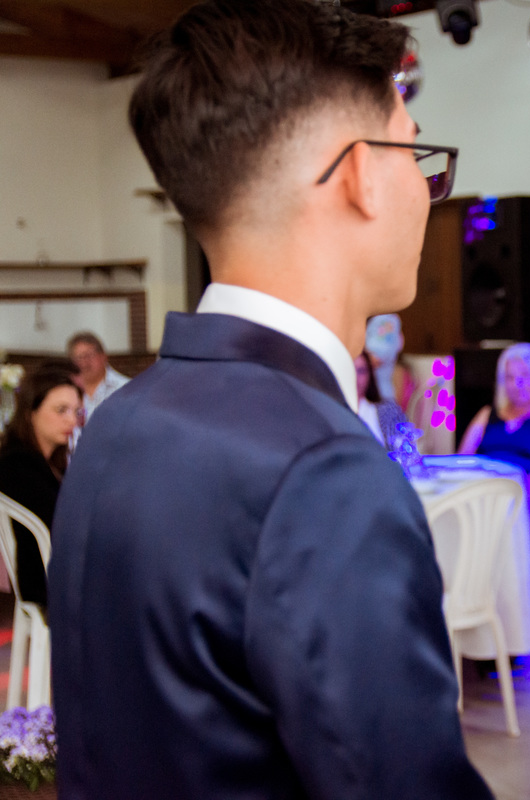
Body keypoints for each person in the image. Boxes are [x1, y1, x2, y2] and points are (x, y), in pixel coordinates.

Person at [48, 1, 490, 798]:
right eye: (417, 155)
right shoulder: (323, 473)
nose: (429, 191)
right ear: (360, 173)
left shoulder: (119, 417)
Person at [458, 343, 530, 576]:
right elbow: (462, 460)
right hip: (483, 501)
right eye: (510, 378)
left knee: (495, 537)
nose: (518, 383)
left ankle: (499, 604)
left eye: (525, 375)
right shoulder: (486, 415)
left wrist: (505, 499)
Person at [0, 365, 81, 607]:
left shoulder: (49, 461)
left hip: (57, 570)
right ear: (30, 411)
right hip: (44, 579)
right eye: (61, 410)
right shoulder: (16, 463)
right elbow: (63, 524)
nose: (72, 420)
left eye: (76, 411)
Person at [66, 331, 129, 423]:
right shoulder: (67, 391)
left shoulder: (125, 389)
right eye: (78, 358)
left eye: (89, 356)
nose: (84, 363)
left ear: (103, 356)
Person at [355, 350, 409, 451]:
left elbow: (404, 451)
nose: (355, 378)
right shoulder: (332, 412)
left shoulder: (388, 411)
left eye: (361, 371)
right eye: (351, 371)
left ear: (369, 375)